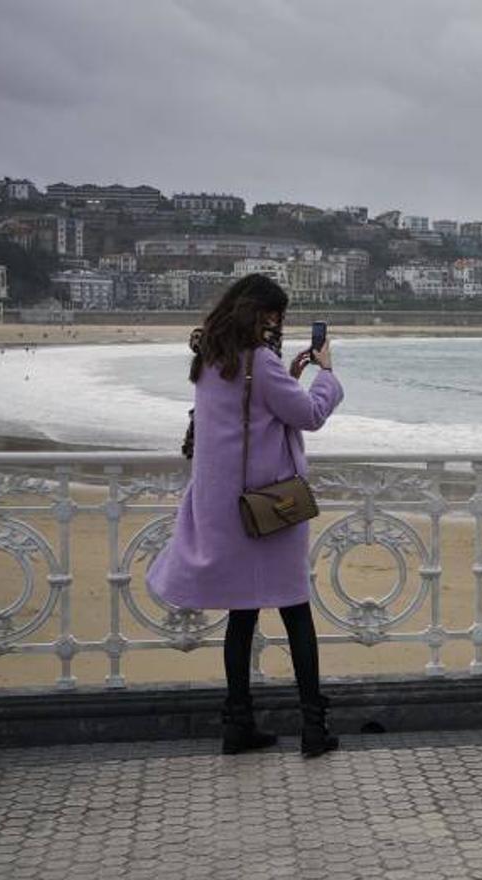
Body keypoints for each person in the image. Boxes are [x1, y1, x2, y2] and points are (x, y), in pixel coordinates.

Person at [147, 274, 344, 757]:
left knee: (243, 615)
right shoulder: (261, 362)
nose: (277, 327)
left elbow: (249, 414)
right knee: (296, 612)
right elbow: (310, 416)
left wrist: (287, 376)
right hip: (270, 509)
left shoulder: (211, 361)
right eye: (275, 318)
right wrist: (327, 374)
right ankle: (314, 729)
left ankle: (238, 724)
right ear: (262, 314)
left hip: (223, 507)